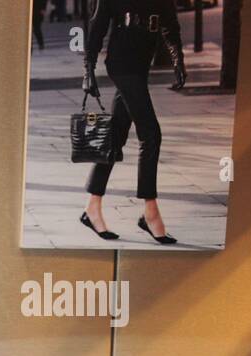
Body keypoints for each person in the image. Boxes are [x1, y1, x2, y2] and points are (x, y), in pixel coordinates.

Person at [79, 0, 186, 244]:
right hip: (122, 63)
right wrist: (88, 71)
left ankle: (91, 207)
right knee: (151, 135)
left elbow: (170, 25)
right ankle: (150, 212)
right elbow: (97, 29)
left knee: (116, 135)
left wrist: (178, 58)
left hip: (141, 64)